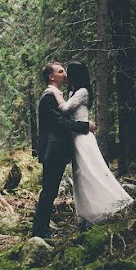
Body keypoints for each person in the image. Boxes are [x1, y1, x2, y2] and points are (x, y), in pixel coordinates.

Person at [52, 61, 133, 224]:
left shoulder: (82, 92)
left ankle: (113, 203)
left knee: (91, 172)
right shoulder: (74, 91)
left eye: (68, 72)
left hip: (83, 138)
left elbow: (66, 109)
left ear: (76, 74)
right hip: (76, 138)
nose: (66, 75)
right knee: (80, 176)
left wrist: (54, 93)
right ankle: (87, 214)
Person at [31, 62, 96, 238]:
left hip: (57, 151)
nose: (65, 74)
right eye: (60, 72)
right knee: (49, 190)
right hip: (52, 151)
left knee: (50, 190)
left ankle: (41, 227)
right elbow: (59, 123)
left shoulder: (57, 96)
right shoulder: (48, 97)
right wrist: (85, 126)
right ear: (52, 77)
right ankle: (39, 231)